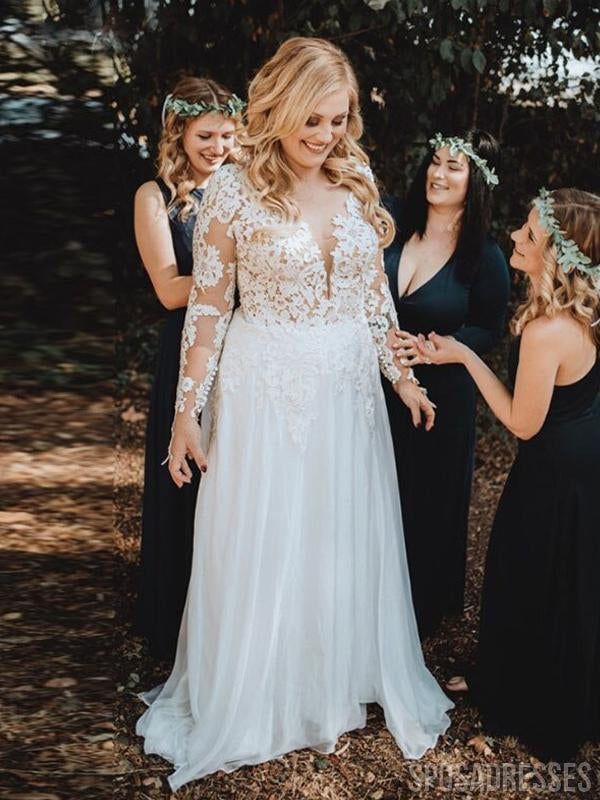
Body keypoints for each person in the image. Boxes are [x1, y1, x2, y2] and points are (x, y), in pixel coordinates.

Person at [136, 37, 452, 789]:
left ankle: (324, 677)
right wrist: (189, 413)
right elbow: (207, 311)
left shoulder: (356, 178)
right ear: (276, 107)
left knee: (334, 531)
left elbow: (373, 299)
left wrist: (400, 374)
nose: (324, 137)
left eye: (337, 121)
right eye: (311, 121)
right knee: (264, 529)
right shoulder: (230, 193)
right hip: (264, 382)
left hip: (345, 388)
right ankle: (258, 685)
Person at [419, 188, 600, 761]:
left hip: (553, 475)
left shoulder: (549, 332)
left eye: (530, 235)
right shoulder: (583, 313)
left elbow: (523, 423)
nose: (516, 238)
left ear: (560, 256)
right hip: (581, 468)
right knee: (560, 583)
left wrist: (465, 357)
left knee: (529, 576)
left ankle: (525, 701)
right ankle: (512, 679)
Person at [133, 77, 244, 661]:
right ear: (178, 132)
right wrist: (237, 273)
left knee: (233, 478)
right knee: (185, 482)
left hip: (245, 348)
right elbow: (169, 289)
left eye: (228, 134)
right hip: (189, 343)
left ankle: (226, 618)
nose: (219, 146)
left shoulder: (249, 186)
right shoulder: (154, 196)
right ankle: (172, 624)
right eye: (206, 135)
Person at [383, 131, 511, 638]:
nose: (438, 174)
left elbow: (490, 328)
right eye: (434, 162)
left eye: (453, 167)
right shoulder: (392, 223)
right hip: (376, 383)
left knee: (428, 498)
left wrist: (441, 347)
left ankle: (420, 609)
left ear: (475, 180)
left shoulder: (485, 257)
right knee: (375, 488)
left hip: (442, 395)